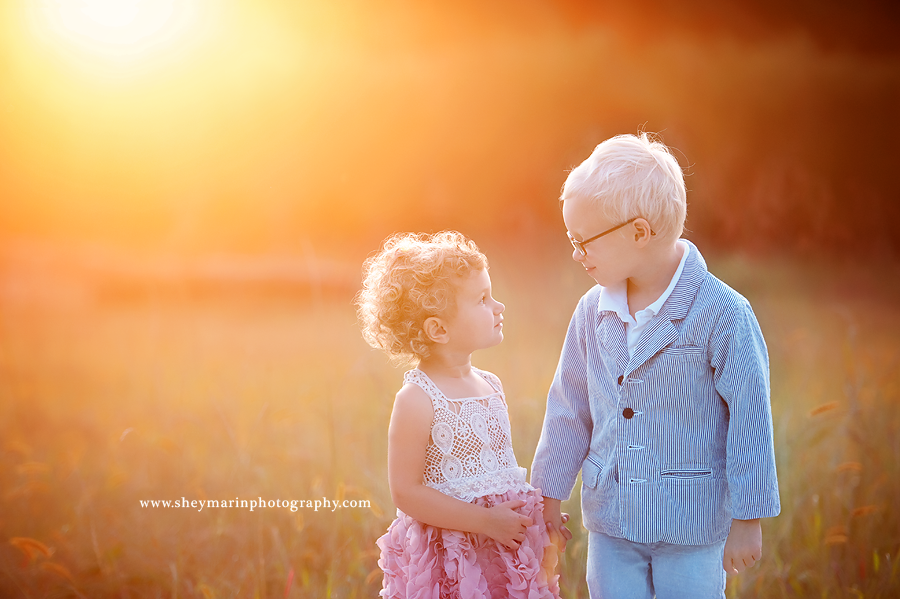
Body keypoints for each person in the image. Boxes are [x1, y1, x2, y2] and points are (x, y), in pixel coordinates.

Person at [531, 133, 780, 599]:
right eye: (571, 240)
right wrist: (546, 495)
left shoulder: (723, 313)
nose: (575, 253)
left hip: (690, 523)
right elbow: (569, 405)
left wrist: (748, 519)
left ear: (639, 233)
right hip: (613, 520)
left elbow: (750, 417)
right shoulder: (592, 311)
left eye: (584, 242)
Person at [357, 231, 561, 599]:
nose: (499, 307)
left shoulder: (491, 384)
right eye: (482, 299)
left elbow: (500, 472)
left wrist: (534, 519)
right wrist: (484, 522)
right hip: (453, 553)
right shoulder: (417, 399)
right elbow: (406, 492)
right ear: (438, 329)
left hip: (502, 545)